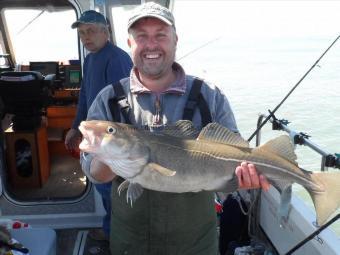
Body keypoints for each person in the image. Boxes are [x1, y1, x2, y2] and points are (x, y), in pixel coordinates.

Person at [80, 2, 270, 254]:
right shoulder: (108, 99)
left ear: (175, 40)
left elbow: (236, 155)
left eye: (160, 35)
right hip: (131, 242)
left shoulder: (209, 96)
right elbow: (95, 175)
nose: (151, 45)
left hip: (195, 243)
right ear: (129, 43)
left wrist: (243, 178)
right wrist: (108, 153)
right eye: (141, 37)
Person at [65, 10, 133, 240]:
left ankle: (118, 237)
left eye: (91, 31)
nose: (86, 37)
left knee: (112, 189)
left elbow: (125, 108)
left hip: (111, 140)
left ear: (106, 32)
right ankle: (110, 230)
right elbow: (85, 95)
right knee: (103, 189)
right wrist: (76, 127)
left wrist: (113, 147)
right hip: (96, 136)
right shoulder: (91, 58)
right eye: (82, 33)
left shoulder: (117, 59)